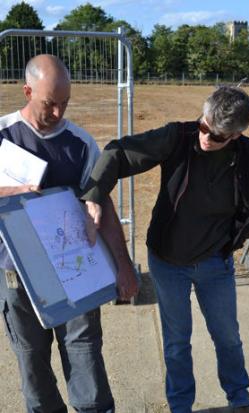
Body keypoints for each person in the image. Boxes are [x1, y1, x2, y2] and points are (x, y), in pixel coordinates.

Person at [86, 86, 249, 413]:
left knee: (228, 337)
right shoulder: (177, 137)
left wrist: (230, 245)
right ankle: (180, 405)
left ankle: (239, 398)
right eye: (203, 125)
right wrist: (95, 192)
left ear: (237, 135)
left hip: (215, 264)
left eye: (217, 135)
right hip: (168, 262)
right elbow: (120, 152)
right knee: (177, 342)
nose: (205, 136)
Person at [0, 54, 138, 413]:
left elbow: (102, 206)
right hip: (16, 275)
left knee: (84, 351)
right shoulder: (3, 136)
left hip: (76, 269)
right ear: (27, 90)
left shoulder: (80, 144)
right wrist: (13, 193)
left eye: (65, 104)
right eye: (50, 104)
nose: (59, 114)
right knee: (32, 360)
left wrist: (123, 266)